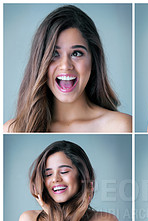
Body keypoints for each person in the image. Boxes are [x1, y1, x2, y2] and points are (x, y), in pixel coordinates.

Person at [4, 5, 131, 133]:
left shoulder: (120, 126)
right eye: (54, 54)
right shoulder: (12, 130)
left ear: (94, 61)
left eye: (76, 53)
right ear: (40, 62)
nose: (65, 65)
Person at [19, 140, 119, 221]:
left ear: (81, 176)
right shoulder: (29, 220)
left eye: (64, 172)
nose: (55, 179)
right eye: (48, 174)